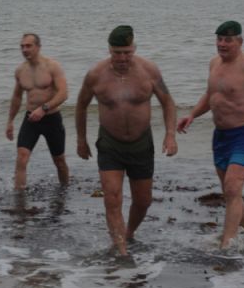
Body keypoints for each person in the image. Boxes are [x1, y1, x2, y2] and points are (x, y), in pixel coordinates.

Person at [74, 25, 178, 256]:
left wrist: (170, 134)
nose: (122, 58)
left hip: (141, 143)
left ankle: (128, 233)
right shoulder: (95, 74)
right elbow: (81, 105)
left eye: (127, 53)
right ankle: (121, 251)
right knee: (112, 199)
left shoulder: (149, 71)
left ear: (134, 49)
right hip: (110, 143)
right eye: (117, 53)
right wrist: (81, 139)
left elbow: (168, 102)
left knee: (143, 201)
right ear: (109, 50)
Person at [176, 20, 244, 250]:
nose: (222, 44)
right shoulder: (214, 63)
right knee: (231, 192)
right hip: (220, 136)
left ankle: (226, 245)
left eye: (228, 40)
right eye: (219, 39)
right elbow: (211, 96)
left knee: (232, 188)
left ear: (240, 42)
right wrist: (192, 115)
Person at [7, 33, 70, 190]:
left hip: (51, 119)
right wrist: (10, 121)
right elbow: (17, 97)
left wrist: (43, 109)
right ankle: (19, 195)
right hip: (31, 119)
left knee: (59, 161)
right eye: (22, 46)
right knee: (21, 158)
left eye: (28, 46)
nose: (24, 49)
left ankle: (64, 190)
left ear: (38, 47)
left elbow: (63, 93)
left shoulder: (52, 66)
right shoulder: (20, 70)